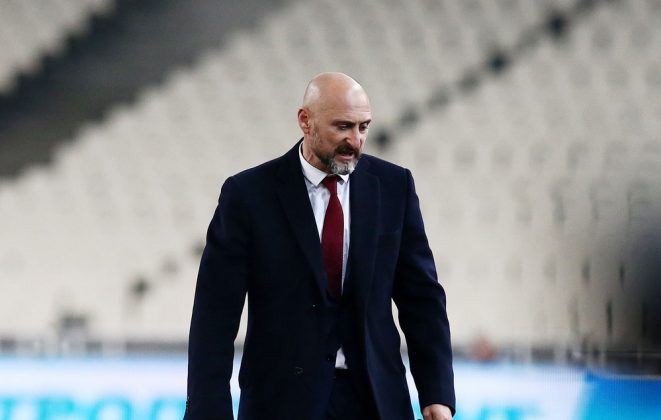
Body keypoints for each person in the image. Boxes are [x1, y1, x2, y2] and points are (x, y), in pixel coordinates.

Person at [185, 72, 455, 420]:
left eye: (363, 127)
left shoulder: (394, 187)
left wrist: (437, 393)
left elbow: (422, 298)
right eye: (343, 127)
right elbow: (215, 313)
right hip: (279, 403)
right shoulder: (248, 195)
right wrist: (208, 410)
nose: (355, 140)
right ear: (305, 121)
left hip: (376, 401)